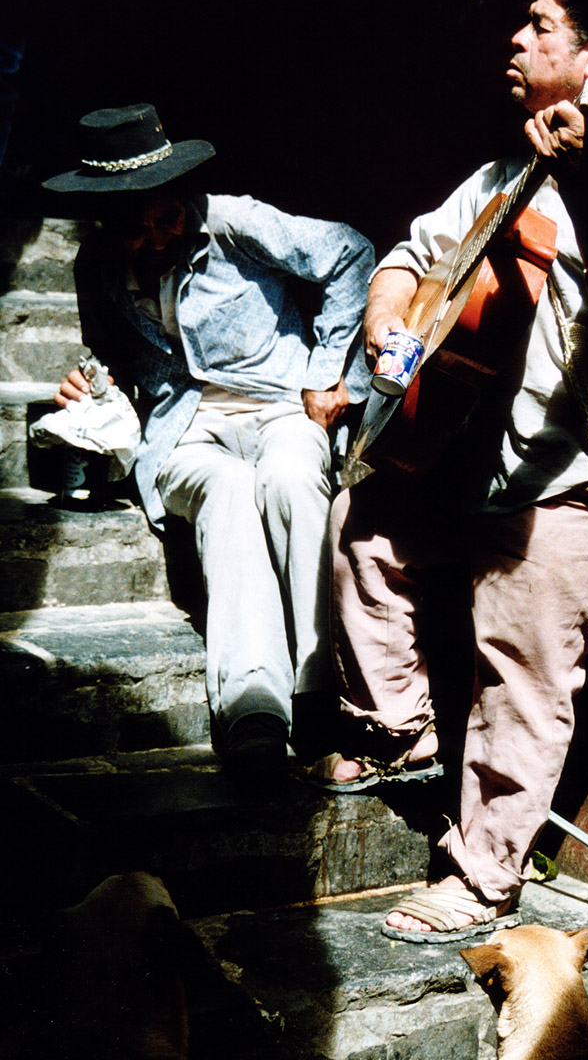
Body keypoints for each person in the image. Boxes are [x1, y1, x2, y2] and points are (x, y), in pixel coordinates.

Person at [318, 0, 588, 940]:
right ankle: (396, 731)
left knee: (522, 671)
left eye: (539, 27)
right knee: (362, 527)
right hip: (466, 453)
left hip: (570, 472)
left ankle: (483, 879)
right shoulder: (500, 171)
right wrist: (389, 319)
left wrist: (582, 177)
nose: (515, 41)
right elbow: (410, 254)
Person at [43, 103, 374, 776]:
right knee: (227, 493)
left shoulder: (235, 223)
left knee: (289, 476)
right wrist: (87, 384)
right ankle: (254, 706)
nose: (157, 238)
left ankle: (317, 688)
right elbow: (110, 355)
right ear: (106, 221)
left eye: (167, 217)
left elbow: (351, 254)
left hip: (282, 405)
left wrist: (328, 372)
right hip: (185, 430)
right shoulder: (99, 266)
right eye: (135, 229)